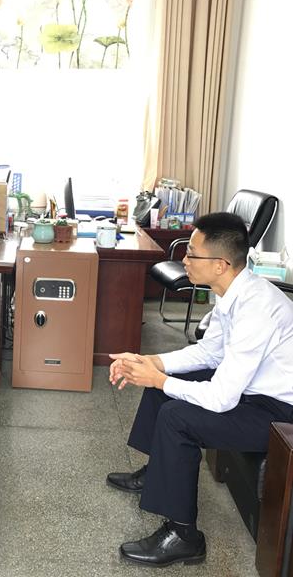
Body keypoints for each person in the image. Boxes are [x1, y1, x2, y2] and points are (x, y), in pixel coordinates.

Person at [107, 212, 293, 568]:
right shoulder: (232, 292)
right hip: (252, 391)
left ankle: (185, 537)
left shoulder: (257, 309)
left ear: (221, 265)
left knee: (176, 415)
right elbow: (209, 353)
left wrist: (158, 379)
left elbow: (221, 398)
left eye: (192, 253)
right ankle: (158, 471)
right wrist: (153, 362)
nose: (184, 259)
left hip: (278, 415)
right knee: (165, 381)